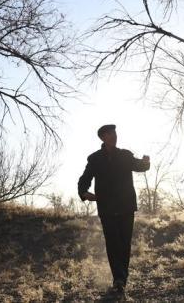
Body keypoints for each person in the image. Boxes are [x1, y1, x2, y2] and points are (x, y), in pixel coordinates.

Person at [77, 124, 150, 296]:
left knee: (124, 244)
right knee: (112, 243)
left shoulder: (125, 155)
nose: (114, 136)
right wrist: (84, 192)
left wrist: (146, 162)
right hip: (107, 208)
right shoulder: (95, 158)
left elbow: (139, 166)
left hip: (126, 207)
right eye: (110, 134)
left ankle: (121, 279)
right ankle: (118, 279)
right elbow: (85, 178)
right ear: (103, 137)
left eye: (115, 133)